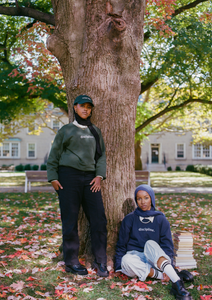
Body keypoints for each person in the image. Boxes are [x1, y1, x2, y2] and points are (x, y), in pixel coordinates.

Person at [47, 94, 109, 277]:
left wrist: (99, 176)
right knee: (70, 221)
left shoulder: (95, 131)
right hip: (68, 177)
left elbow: (101, 156)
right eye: (82, 106)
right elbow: (54, 156)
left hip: (91, 180)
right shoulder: (65, 130)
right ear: (75, 108)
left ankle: (101, 260)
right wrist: (53, 177)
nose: (85, 109)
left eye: (89, 107)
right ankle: (71, 261)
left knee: (99, 219)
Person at [114, 184, 192, 300]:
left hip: (154, 257)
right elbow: (121, 245)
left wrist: (169, 263)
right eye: (139, 198)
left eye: (146, 197)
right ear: (136, 200)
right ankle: (168, 275)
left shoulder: (161, 219)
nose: (142, 202)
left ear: (152, 198)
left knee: (150, 244)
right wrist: (118, 266)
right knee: (126, 260)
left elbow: (167, 245)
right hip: (135, 260)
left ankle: (178, 285)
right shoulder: (129, 219)